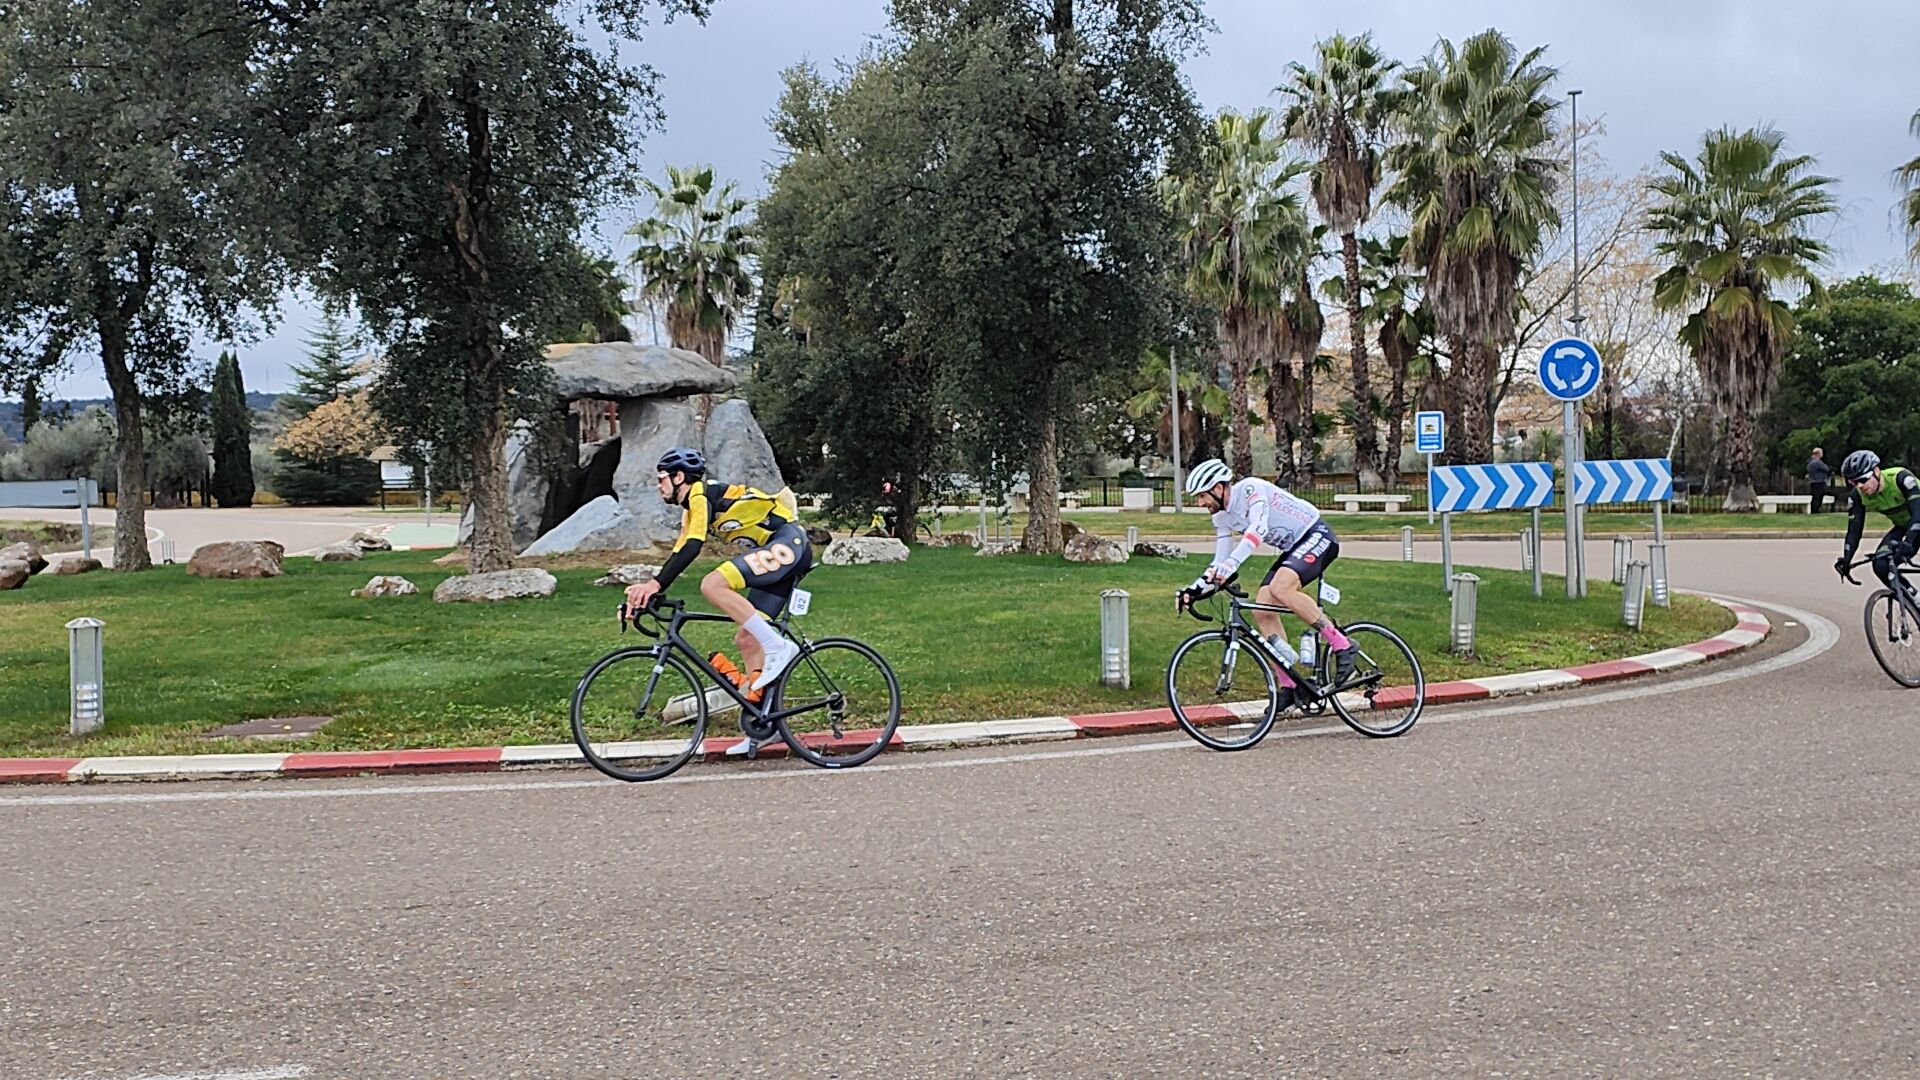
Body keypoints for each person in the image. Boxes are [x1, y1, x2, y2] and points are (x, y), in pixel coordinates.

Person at [625, 448, 809, 756]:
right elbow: (680, 550)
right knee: (747, 638)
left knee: (712, 584)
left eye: (661, 479)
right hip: (782, 551)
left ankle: (779, 647)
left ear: (678, 477)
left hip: (788, 541)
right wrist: (652, 590)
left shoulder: (698, 494)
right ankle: (764, 727)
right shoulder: (691, 510)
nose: (659, 486)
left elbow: (694, 546)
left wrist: (654, 584)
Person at [1175, 458, 1357, 712]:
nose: (1200, 503)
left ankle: (1342, 644)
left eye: (1203, 496)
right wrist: (1193, 590)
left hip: (1316, 534)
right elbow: (1220, 560)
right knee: (1262, 610)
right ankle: (1291, 686)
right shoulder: (1221, 517)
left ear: (1219, 488)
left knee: (1281, 588)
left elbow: (1258, 530)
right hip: (1294, 547)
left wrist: (1231, 565)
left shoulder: (1250, 489)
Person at [1832, 450, 1920, 589]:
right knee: (1880, 564)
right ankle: (1915, 600)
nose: (1860, 486)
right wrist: (1847, 559)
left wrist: (1908, 542)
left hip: (1917, 520)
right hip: (1904, 526)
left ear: (1877, 471)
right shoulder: (1858, 496)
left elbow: (1918, 514)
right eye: (1854, 482)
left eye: (1863, 479)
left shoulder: (1901, 479)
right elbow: (1854, 531)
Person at [1807, 447, 1833, 514]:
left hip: (1812, 482)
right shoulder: (1818, 462)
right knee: (1819, 497)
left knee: (1815, 497)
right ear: (1818, 454)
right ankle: (1816, 510)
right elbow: (1827, 469)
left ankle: (1813, 510)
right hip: (1819, 482)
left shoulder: (1810, 462)